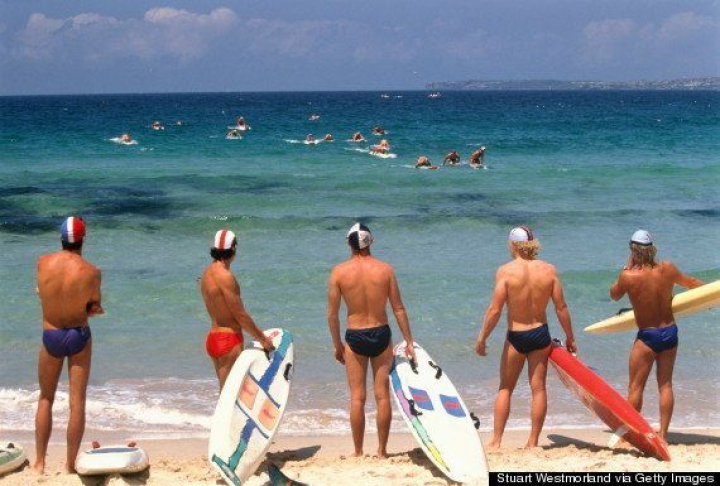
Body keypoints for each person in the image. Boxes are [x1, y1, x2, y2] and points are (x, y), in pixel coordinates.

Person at [475, 226, 576, 449]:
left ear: (513, 245)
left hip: (517, 335)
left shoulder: (505, 271)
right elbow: (561, 307)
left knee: (505, 388)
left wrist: (482, 338)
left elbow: (495, 309)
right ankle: (533, 442)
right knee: (538, 388)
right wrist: (570, 337)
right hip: (540, 333)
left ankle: (496, 441)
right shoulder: (549, 270)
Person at [327, 223, 417, 458]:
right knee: (382, 395)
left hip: (355, 336)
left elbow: (332, 315)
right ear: (371, 241)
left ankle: (358, 452)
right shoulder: (385, 270)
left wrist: (337, 345)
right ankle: (382, 451)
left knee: (357, 397)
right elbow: (398, 308)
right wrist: (409, 341)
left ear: (349, 243)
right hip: (381, 334)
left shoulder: (339, 272)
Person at [609, 230, 703, 440]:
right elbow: (691, 283)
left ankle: (631, 435)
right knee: (665, 385)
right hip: (670, 332)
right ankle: (663, 435)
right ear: (652, 249)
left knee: (635, 387)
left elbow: (614, 295)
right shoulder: (667, 268)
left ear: (632, 250)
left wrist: (626, 267)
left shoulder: (628, 276)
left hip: (647, 336)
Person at [34, 217, 103, 474]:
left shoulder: (43, 263)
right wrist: (92, 308)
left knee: (45, 398)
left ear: (61, 238)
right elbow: (93, 306)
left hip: (51, 333)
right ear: (82, 240)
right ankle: (70, 465)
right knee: (77, 403)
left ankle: (40, 463)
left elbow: (42, 292)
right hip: (78, 335)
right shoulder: (92, 272)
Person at [201, 230, 275, 391]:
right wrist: (263, 340)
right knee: (230, 393)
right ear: (233, 248)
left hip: (213, 338)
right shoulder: (225, 276)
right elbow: (240, 315)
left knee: (226, 393)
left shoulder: (206, 273)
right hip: (228, 340)